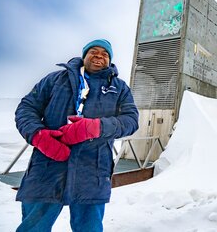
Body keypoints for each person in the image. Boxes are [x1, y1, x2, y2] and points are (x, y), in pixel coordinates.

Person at [15, 39, 139, 232]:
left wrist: (95, 127)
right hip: (47, 167)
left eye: (105, 54)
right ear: (84, 56)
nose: (99, 56)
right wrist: (37, 135)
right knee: (33, 228)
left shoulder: (119, 87)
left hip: (93, 171)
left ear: (110, 60)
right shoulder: (55, 80)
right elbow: (26, 108)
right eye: (94, 52)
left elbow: (131, 120)